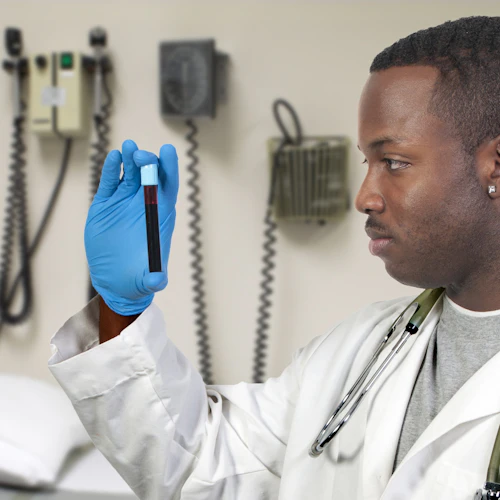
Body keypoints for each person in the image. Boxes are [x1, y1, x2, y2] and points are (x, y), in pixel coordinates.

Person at [49, 15, 500, 500]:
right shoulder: (359, 350)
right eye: (367, 163)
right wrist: (121, 306)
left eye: (393, 163)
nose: (365, 196)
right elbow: (206, 464)